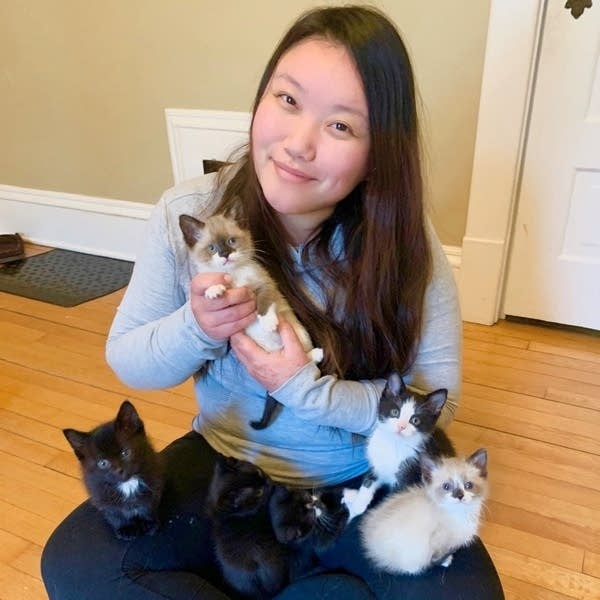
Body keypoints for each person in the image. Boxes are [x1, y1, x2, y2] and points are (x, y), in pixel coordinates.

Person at [42, 5, 504, 599]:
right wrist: (198, 326)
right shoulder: (190, 218)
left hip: (364, 475)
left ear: (376, 153)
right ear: (260, 99)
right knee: (77, 565)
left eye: (341, 126)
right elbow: (129, 360)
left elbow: (443, 397)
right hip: (228, 465)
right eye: (287, 101)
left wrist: (307, 391)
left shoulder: (405, 240)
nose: (298, 144)